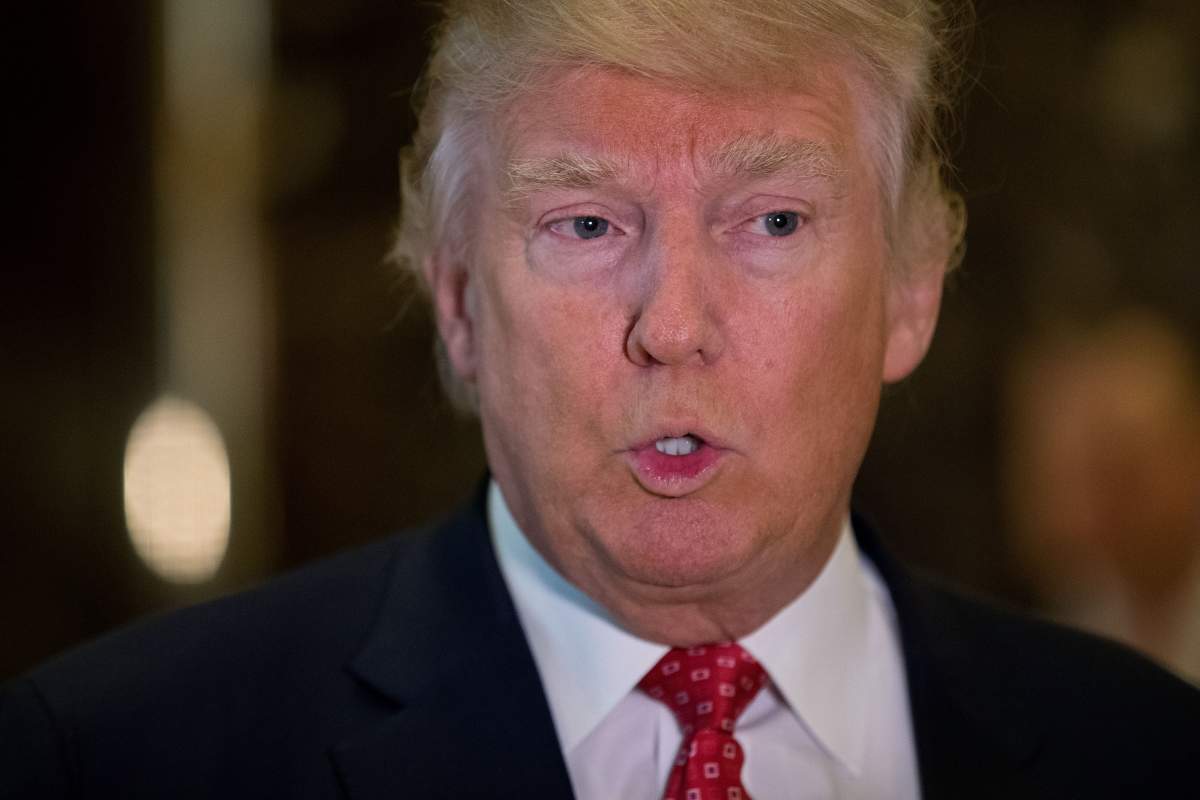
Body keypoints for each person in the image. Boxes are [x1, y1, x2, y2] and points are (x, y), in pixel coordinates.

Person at [2, 1, 1197, 798]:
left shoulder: (1148, 752)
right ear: (460, 304)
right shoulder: (108, 759)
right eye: (585, 224)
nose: (671, 325)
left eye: (772, 221)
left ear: (911, 293)